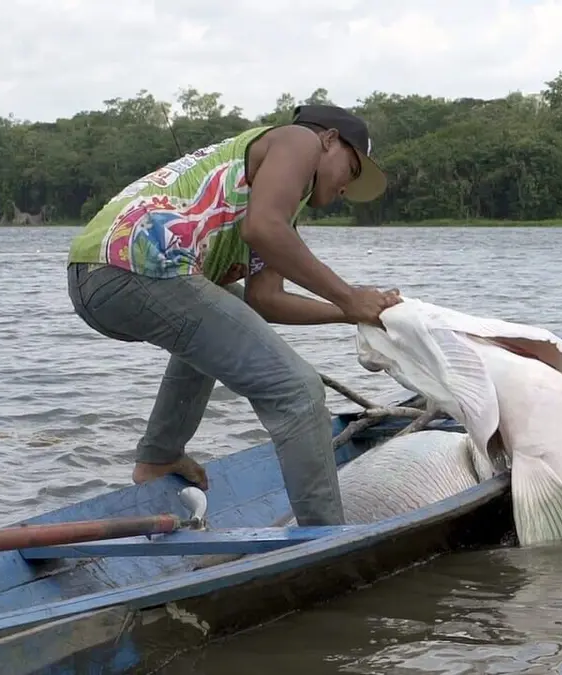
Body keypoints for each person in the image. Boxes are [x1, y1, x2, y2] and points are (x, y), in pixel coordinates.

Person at [65, 104, 402, 526]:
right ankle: (327, 536)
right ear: (330, 140)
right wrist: (351, 295)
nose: (345, 190)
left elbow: (266, 300)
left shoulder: (279, 206)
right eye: (350, 171)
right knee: (297, 390)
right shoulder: (299, 140)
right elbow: (262, 228)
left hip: (94, 274)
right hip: (132, 266)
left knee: (227, 304)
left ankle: (159, 457)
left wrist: (349, 314)